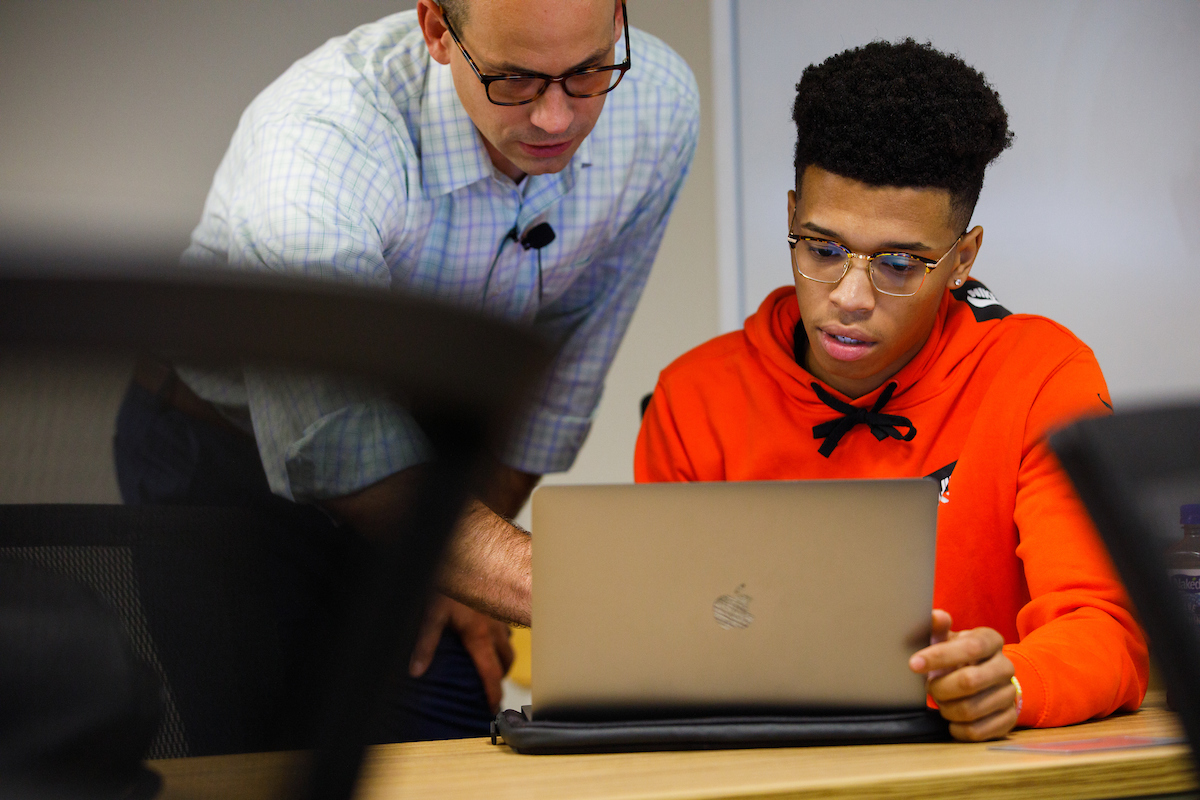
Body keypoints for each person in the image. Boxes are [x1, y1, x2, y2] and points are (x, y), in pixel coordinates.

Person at [114, 0, 698, 742]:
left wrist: (468, 570)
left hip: (438, 473)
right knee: (264, 760)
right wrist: (577, 588)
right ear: (436, 30)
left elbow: (564, 367)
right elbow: (339, 443)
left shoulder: (658, 103)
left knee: (454, 737)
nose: (558, 119)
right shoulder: (319, 146)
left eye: (585, 72)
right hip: (222, 458)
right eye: (515, 80)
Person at [635, 39, 1147, 742]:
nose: (849, 297)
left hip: (974, 771)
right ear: (791, 214)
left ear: (963, 259)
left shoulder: (1040, 375)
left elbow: (1106, 630)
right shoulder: (694, 397)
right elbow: (665, 641)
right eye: (821, 249)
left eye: (900, 264)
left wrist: (1017, 683)